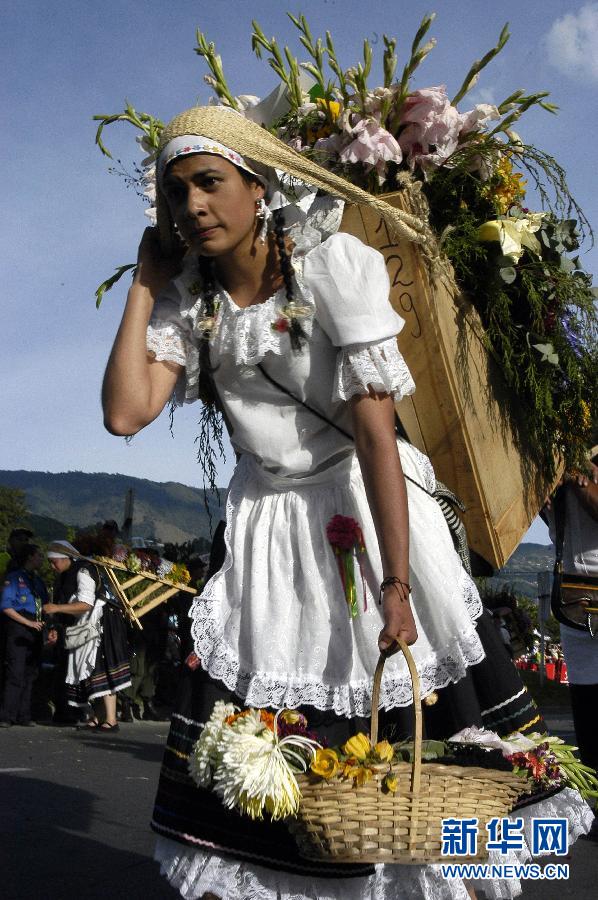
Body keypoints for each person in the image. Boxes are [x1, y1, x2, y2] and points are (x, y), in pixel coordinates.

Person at [101, 105, 590, 899]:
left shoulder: (333, 267)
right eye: (176, 191)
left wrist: (397, 587)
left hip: (366, 512)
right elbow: (125, 412)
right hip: (266, 531)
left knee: (424, 749)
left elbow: (373, 436)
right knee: (280, 765)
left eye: (210, 183)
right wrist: (146, 281)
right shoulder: (190, 303)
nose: (192, 205)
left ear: (259, 189)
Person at [545, 448, 598, 839]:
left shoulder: (585, 470)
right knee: (588, 710)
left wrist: (582, 482)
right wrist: (552, 494)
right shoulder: (568, 467)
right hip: (576, 597)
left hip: (584, 592)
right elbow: (555, 527)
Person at [43, 540, 131, 732]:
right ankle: (95, 717)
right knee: (84, 670)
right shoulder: (65, 577)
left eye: (54, 561)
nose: (52, 566)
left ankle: (110, 720)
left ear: (66, 558)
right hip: (84, 626)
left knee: (99, 667)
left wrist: (56, 608)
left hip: (100, 624)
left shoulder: (83, 571)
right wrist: (56, 626)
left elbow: (85, 603)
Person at [0, 543, 50, 726]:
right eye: (39, 555)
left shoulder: (38, 581)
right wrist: (27, 622)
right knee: (16, 672)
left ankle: (24, 715)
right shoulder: (14, 578)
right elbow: (6, 606)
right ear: (30, 557)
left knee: (31, 673)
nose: (41, 559)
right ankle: (7, 716)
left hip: (36, 626)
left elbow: (44, 605)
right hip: (19, 624)